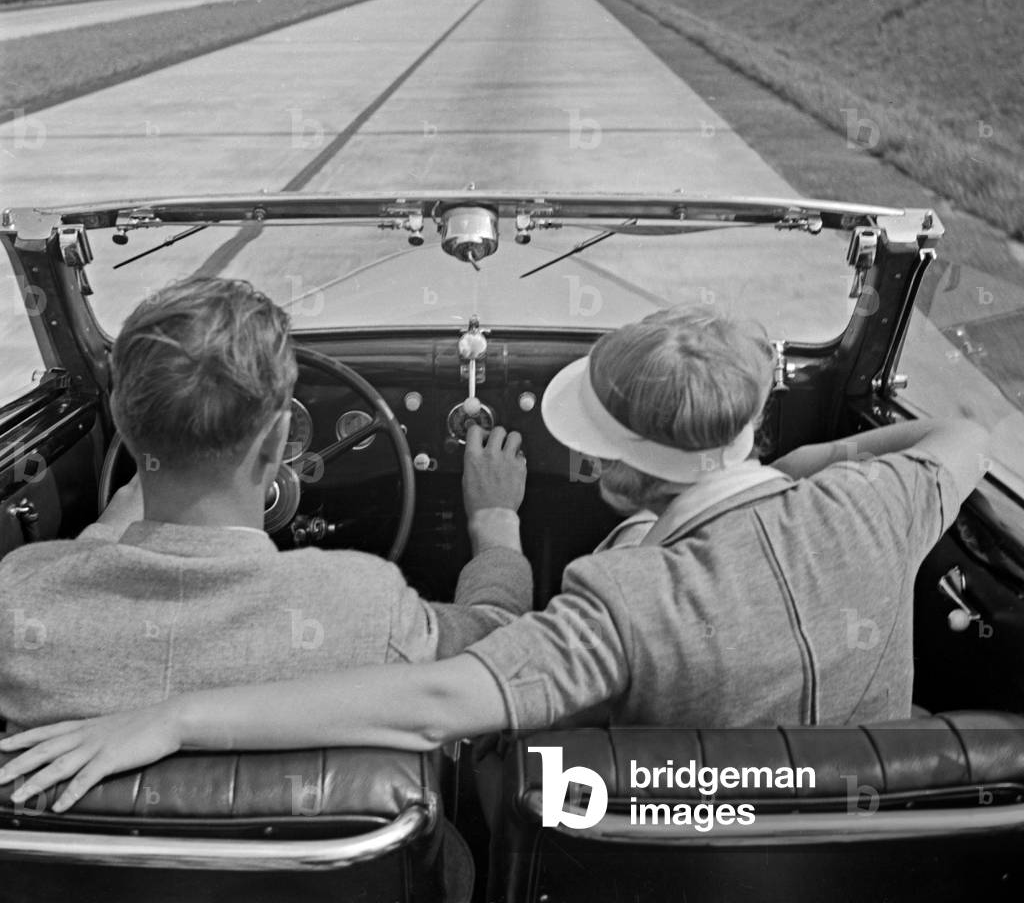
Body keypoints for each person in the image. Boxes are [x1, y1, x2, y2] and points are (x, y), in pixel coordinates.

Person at [0, 305, 991, 813]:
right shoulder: (884, 506)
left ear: (615, 472)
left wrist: (177, 710)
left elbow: (447, 701)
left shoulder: (618, 606)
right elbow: (962, 437)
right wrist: (813, 463)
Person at [0, 276, 531, 733]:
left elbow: (68, 580)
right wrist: (495, 519)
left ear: (122, 418)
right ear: (279, 439)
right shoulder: (367, 609)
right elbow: (502, 652)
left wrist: (109, 526)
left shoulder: (20, 597)